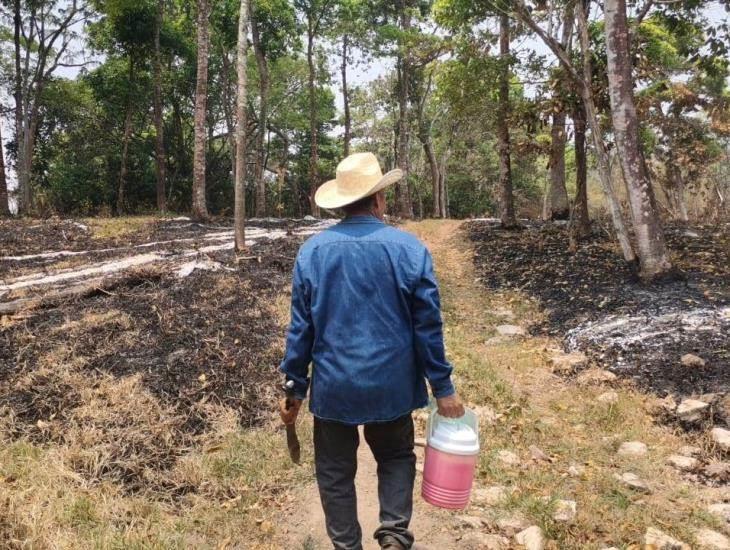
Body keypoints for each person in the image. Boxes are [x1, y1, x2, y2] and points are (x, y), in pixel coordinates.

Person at [279, 152, 464, 550]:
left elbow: (301, 329)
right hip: (392, 387)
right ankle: (394, 537)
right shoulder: (409, 250)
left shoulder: (313, 252)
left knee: (333, 471)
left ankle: (348, 546)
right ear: (378, 200)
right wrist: (443, 388)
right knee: (396, 458)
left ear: (341, 204)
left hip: (334, 389)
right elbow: (427, 327)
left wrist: (294, 387)